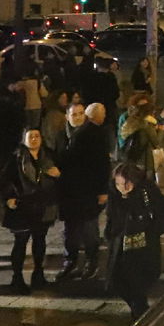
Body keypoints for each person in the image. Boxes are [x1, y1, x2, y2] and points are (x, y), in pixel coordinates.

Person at [0, 127, 61, 293]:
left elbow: (60, 176)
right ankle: (17, 278)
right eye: (30, 136)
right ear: (24, 139)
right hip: (23, 206)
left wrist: (57, 175)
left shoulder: (49, 156)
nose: (34, 139)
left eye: (37, 136)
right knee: (21, 242)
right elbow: (1, 181)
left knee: (40, 241)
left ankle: (38, 275)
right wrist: (7, 199)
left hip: (43, 205)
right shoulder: (16, 158)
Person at [105, 162, 164, 321]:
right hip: (121, 245)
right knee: (117, 281)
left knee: (138, 284)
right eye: (118, 184)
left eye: (126, 184)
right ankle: (139, 309)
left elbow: (163, 210)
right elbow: (112, 217)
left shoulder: (147, 192)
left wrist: (153, 231)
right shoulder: (115, 194)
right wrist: (111, 234)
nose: (122, 187)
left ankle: (140, 314)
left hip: (144, 248)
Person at [57, 103, 111, 280]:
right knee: (70, 231)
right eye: (74, 114)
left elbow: (103, 165)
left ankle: (91, 262)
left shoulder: (94, 134)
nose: (78, 117)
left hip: (88, 191)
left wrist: (103, 190)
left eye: (81, 114)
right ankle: (70, 262)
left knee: (89, 230)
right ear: (67, 116)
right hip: (68, 192)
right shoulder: (62, 136)